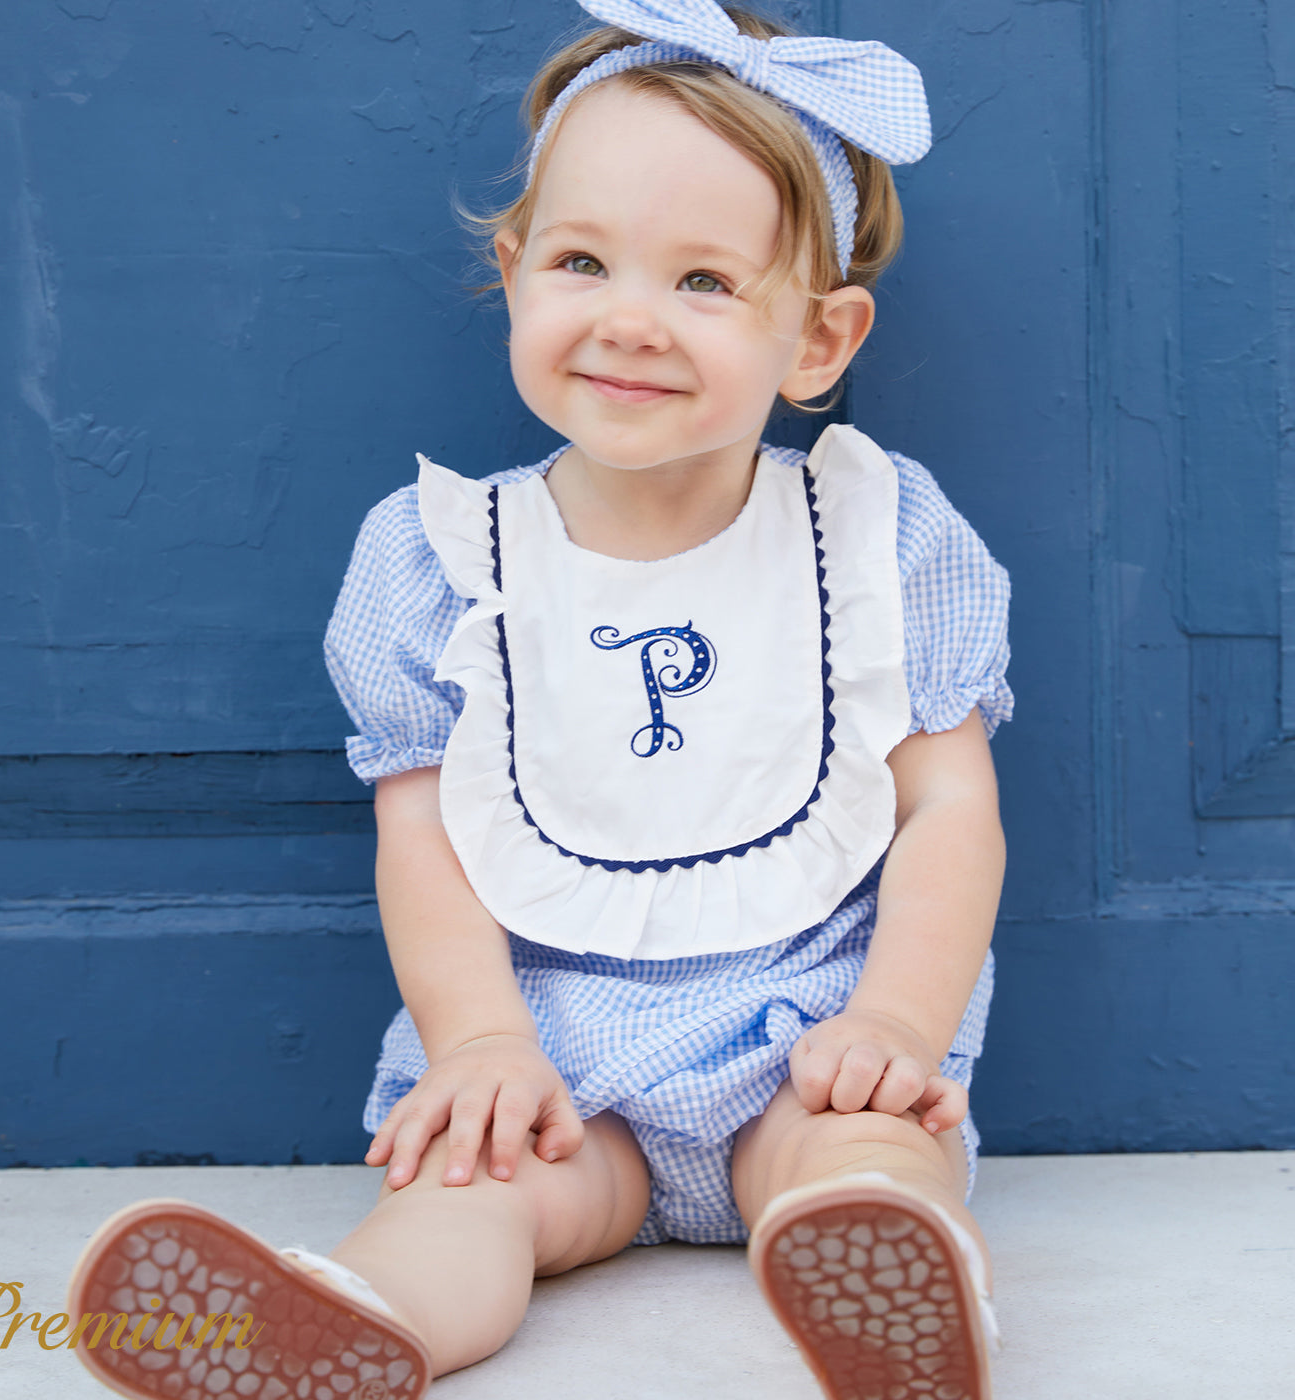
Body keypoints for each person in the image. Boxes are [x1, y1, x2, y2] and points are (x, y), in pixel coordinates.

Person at [67, 1, 1012, 1397]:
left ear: (818, 341)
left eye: (705, 281)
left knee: (866, 1152)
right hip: (561, 1054)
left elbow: (948, 810)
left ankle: (889, 1286)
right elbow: (424, 834)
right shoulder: (439, 561)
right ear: (515, 272)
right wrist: (485, 1041)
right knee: (476, 1189)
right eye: (583, 260)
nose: (631, 318)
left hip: (808, 1030)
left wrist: (895, 1028)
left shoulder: (881, 539)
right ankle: (356, 1322)